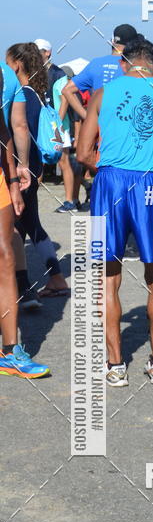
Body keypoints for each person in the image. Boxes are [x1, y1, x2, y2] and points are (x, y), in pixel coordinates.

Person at [77, 37, 153, 387]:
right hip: (151, 184)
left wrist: (106, 173)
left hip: (110, 182)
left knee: (107, 277)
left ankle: (116, 367)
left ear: (123, 63)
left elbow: (84, 152)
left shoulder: (104, 94)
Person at [6, 43, 70, 299]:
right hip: (33, 167)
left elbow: (16, 131)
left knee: (16, 226)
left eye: (8, 63)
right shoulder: (36, 94)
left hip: (20, 169)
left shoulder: (20, 95)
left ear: (17, 65)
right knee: (28, 224)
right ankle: (51, 279)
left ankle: (23, 289)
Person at [0, 65, 49, 378]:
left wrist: (14, 182)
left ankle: (11, 350)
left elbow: (4, 130)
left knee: (5, 255)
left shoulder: (3, 74)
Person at [62, 23, 140, 119]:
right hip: (123, 127)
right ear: (134, 45)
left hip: (99, 129)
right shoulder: (134, 67)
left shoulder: (96, 63)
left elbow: (67, 90)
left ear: (112, 41)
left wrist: (88, 118)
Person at [53, 65, 83, 212]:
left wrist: (56, 127)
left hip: (64, 130)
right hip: (68, 131)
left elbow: (67, 107)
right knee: (74, 166)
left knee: (67, 165)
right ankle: (75, 199)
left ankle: (70, 201)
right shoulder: (72, 87)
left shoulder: (63, 85)